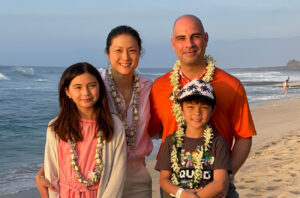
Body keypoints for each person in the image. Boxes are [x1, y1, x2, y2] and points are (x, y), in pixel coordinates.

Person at [35, 26, 153, 198]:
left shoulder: (149, 88)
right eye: (118, 50)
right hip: (98, 180)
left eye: (132, 50)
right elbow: (71, 140)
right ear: (107, 53)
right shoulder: (95, 86)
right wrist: (42, 173)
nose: (126, 57)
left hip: (136, 176)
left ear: (140, 53)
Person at [149, 14, 256, 196]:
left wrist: (226, 177)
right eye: (181, 38)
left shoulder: (231, 85)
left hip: (217, 187)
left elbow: (244, 136)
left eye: (195, 36)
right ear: (173, 43)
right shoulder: (159, 87)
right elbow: (154, 131)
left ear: (205, 39)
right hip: (174, 188)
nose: (189, 44)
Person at [43, 62, 126, 198]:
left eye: (92, 86)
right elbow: (51, 172)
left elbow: (118, 174)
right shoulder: (56, 127)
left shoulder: (114, 125)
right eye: (78, 87)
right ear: (67, 92)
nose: (86, 93)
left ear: (100, 87)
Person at [156, 79, 232, 198]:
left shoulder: (218, 143)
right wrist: (182, 194)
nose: (197, 113)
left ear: (213, 110)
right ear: (181, 109)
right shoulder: (171, 141)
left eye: (204, 107)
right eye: (190, 107)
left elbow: (220, 183)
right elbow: (164, 180)